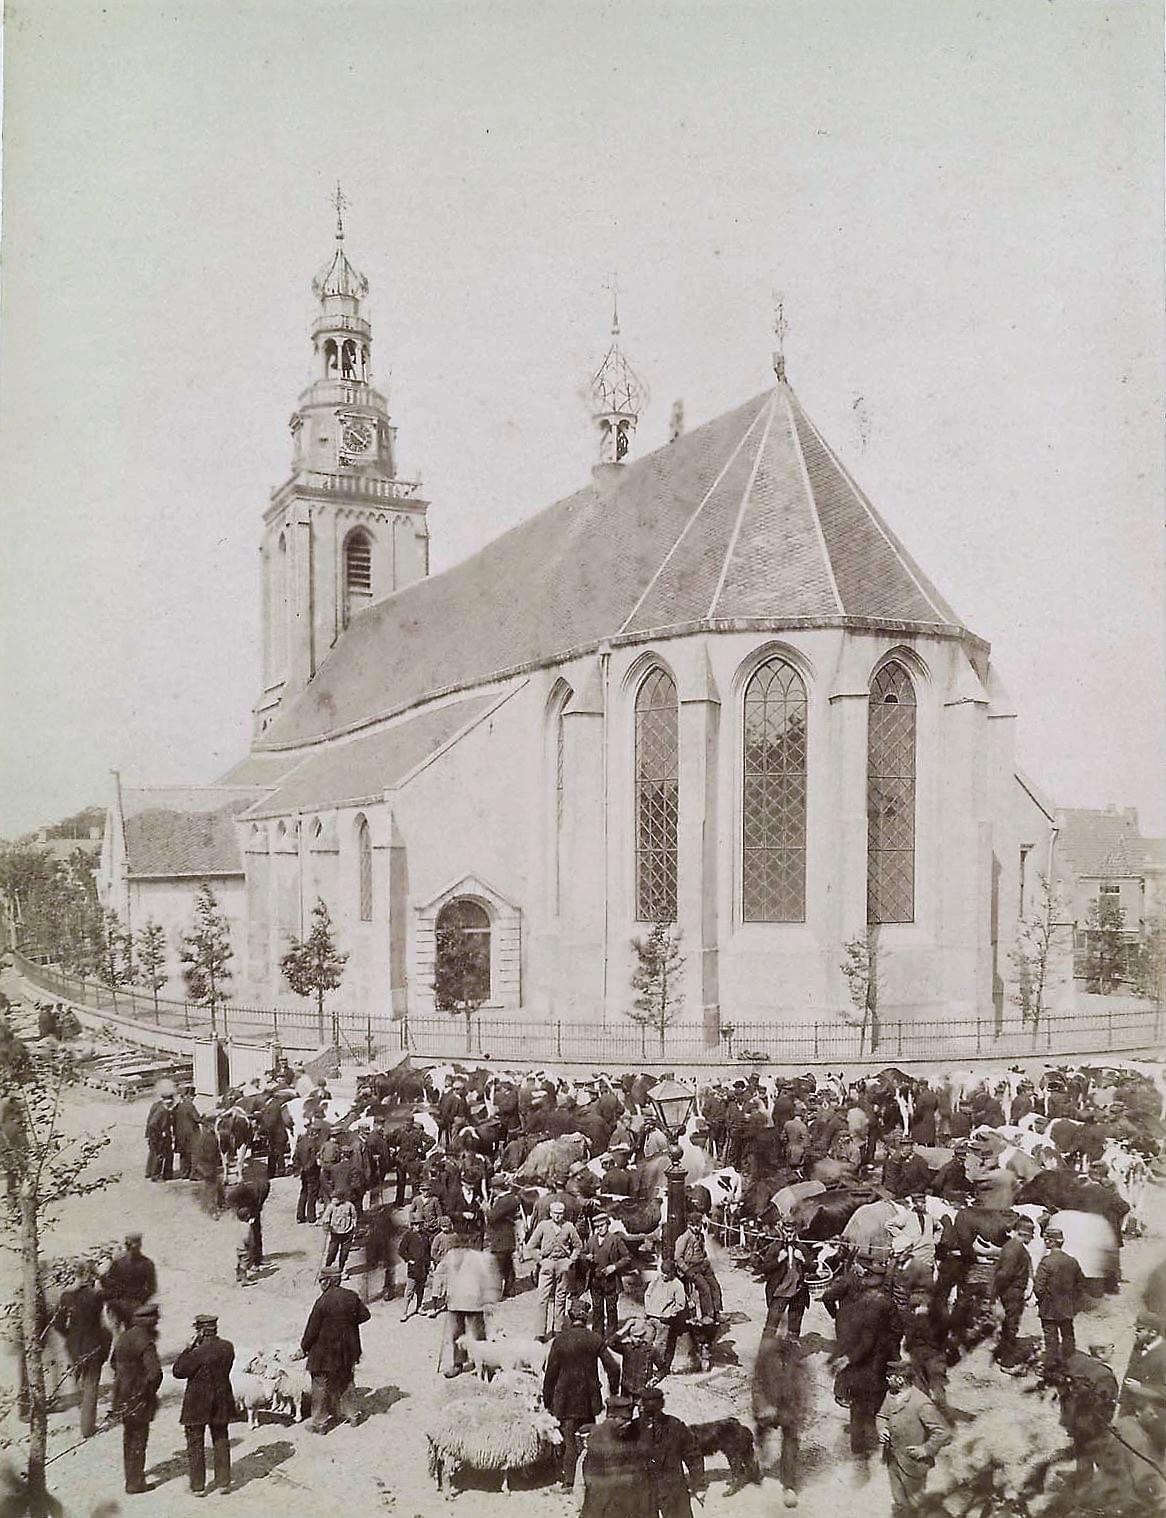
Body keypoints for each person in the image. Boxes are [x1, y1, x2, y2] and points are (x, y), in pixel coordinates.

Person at [543, 1300, 620, 1490]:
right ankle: (592, 1478)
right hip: (588, 1400)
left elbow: (550, 1374)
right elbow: (613, 1368)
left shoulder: (560, 1340)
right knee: (589, 1439)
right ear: (586, 1318)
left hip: (564, 1401)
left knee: (568, 1440)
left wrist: (547, 1400)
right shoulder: (595, 1339)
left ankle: (568, 1482)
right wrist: (613, 1390)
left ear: (570, 1317)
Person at [300, 1263, 371, 1431]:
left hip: (324, 1353)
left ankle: (319, 1423)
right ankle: (353, 1415)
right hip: (347, 1350)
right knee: (346, 1380)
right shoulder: (351, 1296)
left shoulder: (322, 1302)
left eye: (321, 1281)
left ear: (328, 1282)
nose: (320, 1285)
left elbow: (312, 1330)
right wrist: (348, 1324)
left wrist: (304, 1347)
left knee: (320, 1385)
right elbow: (365, 1315)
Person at [876, 1359, 952, 1517]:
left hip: (913, 1464)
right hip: (893, 1459)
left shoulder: (921, 1404)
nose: (887, 1379)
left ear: (900, 1379)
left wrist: (926, 1449)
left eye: (890, 1377)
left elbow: (943, 1431)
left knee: (917, 1504)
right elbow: (881, 1415)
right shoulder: (890, 1395)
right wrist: (882, 1428)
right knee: (899, 1501)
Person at [172, 1313, 236, 1497]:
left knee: (195, 1443)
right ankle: (224, 1482)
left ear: (200, 1331)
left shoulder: (197, 1353)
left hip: (197, 1403)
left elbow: (178, 1371)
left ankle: (198, 1486)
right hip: (221, 1400)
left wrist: (187, 1348)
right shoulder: (227, 1347)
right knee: (221, 1439)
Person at [753, 1331, 814, 1508]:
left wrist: (803, 1412)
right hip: (767, 1407)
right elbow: (757, 1384)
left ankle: (789, 1486)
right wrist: (762, 1406)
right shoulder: (764, 1357)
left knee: (790, 1444)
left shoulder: (797, 1361)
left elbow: (805, 1388)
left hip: (789, 1410)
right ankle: (758, 1460)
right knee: (761, 1435)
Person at [54, 1260, 112, 1438]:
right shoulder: (96, 1295)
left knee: (80, 1378)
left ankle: (81, 1413)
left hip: (74, 1346)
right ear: (91, 1276)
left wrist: (70, 1336)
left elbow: (58, 1324)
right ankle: (87, 1428)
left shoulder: (66, 1296)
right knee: (91, 1384)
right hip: (94, 1344)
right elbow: (116, 1291)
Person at [111, 1301, 162, 1495]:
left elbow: (113, 1363)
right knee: (139, 1439)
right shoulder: (146, 1342)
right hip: (139, 1397)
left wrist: (125, 1379)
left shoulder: (124, 1337)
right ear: (150, 1322)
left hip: (121, 1394)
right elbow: (155, 1373)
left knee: (128, 1437)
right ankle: (136, 1483)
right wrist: (147, 1391)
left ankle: (130, 1478)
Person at [432, 1241, 502, 1377]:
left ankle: (485, 1363)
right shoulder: (451, 1255)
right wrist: (440, 1290)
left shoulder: (480, 1257)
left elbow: (490, 1276)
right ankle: (458, 1363)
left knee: (478, 1335)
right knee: (457, 1335)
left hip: (474, 1301)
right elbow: (439, 1273)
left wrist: (490, 1299)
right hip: (455, 1300)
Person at [637, 1385, 705, 1518]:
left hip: (650, 1491)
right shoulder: (676, 1425)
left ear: (641, 1405)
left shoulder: (634, 1429)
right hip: (671, 1488)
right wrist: (697, 1483)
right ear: (662, 1404)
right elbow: (693, 1455)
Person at [579, 1394, 645, 1518]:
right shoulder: (601, 1438)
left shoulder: (622, 1434)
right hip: (604, 1506)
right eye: (624, 1419)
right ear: (612, 1417)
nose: (628, 1424)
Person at [526, 1199, 582, 1340]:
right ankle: (540, 1333)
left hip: (563, 1264)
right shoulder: (543, 1226)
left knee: (561, 1298)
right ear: (550, 1213)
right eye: (555, 1213)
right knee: (542, 1299)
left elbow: (578, 1245)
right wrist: (540, 1261)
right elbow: (531, 1246)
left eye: (560, 1213)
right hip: (547, 1264)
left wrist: (570, 1261)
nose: (558, 1216)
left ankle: (558, 1330)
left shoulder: (569, 1227)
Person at [1034, 1226, 1087, 1373]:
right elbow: (1081, 1284)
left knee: (1051, 1338)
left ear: (1050, 1242)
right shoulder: (1072, 1261)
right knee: (1068, 1335)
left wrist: (1043, 1300)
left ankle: (1051, 1368)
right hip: (1067, 1306)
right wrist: (1072, 1301)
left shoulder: (1046, 1262)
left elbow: (1038, 1287)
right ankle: (1070, 1365)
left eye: (1046, 1240)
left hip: (1049, 1308)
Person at [992, 1216, 1034, 1369]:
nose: (1032, 1238)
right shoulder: (1015, 1248)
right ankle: (1007, 1361)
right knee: (1011, 1324)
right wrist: (996, 1294)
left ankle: (1003, 1353)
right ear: (1024, 1234)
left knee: (1008, 1324)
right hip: (1012, 1291)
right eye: (1031, 1235)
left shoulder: (1012, 1246)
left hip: (1011, 1290)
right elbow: (1004, 1274)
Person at [673, 1213, 721, 1348]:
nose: (698, 1228)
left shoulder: (700, 1236)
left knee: (714, 1285)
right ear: (689, 1225)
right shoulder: (684, 1238)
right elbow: (678, 1258)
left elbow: (702, 1250)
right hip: (690, 1267)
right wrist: (687, 1271)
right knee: (704, 1287)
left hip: (701, 1264)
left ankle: (717, 1311)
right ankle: (707, 1314)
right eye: (695, 1225)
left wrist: (706, 1260)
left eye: (699, 1225)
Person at [760, 1217, 812, 1340]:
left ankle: (790, 1354)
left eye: (791, 1231)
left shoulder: (802, 1248)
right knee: (771, 1327)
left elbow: (812, 1266)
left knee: (794, 1329)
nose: (789, 1234)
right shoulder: (774, 1247)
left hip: (798, 1292)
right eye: (786, 1231)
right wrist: (778, 1260)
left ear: (796, 1231)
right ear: (782, 1230)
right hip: (780, 1292)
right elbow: (763, 1268)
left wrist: (803, 1260)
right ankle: (764, 1356)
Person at [587, 1213, 632, 1341]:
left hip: (610, 1281)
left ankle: (612, 1337)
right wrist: (586, 1257)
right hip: (595, 1281)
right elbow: (583, 1253)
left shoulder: (615, 1240)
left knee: (611, 1309)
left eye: (602, 1225)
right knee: (597, 1309)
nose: (599, 1229)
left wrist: (614, 1267)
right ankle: (597, 1337)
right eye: (597, 1227)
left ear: (607, 1224)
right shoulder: (591, 1240)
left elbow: (627, 1257)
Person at [101, 1233, 158, 1331]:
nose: (135, 1247)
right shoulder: (119, 1263)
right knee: (124, 1335)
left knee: (126, 1335)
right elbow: (152, 1288)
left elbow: (152, 1288)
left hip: (128, 1304)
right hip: (123, 1305)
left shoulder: (146, 1264)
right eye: (134, 1244)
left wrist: (139, 1300)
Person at [644, 1257, 689, 1377]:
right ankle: (646, 1368)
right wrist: (648, 1308)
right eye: (662, 1273)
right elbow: (647, 1293)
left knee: (659, 1346)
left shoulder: (677, 1285)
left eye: (667, 1273)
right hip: (650, 1317)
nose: (664, 1276)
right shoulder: (657, 1279)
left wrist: (669, 1314)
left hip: (663, 1321)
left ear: (672, 1272)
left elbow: (680, 1304)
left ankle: (660, 1369)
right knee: (646, 1343)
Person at [485, 1175, 522, 1298]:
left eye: (493, 1188)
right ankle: (509, 1289)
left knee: (498, 1266)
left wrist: (486, 1209)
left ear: (497, 1188)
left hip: (500, 1238)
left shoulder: (504, 1201)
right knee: (508, 1265)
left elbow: (492, 1218)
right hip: (508, 1237)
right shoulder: (511, 1198)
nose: (491, 1191)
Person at [321, 1188, 358, 1272]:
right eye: (332, 1198)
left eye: (335, 1198)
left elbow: (354, 1216)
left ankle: (341, 1268)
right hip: (335, 1233)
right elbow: (325, 1217)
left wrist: (353, 1226)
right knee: (332, 1251)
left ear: (341, 1199)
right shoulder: (331, 1207)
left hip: (347, 1232)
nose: (333, 1200)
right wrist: (327, 1225)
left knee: (344, 1252)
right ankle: (327, 1267)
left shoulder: (349, 1205)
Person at [294, 1118, 323, 1224]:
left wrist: (299, 1168)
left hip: (303, 1172)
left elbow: (295, 1156)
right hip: (312, 1172)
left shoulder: (301, 1142)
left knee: (303, 1193)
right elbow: (313, 1160)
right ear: (314, 1133)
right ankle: (311, 1216)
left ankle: (300, 1216)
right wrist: (307, 1168)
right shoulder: (314, 1144)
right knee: (312, 1194)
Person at [145, 1089, 176, 1182]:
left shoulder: (157, 1105)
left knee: (153, 1153)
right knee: (160, 1155)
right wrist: (160, 1133)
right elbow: (153, 1124)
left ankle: (149, 1172)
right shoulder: (163, 1111)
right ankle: (156, 1175)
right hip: (159, 1137)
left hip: (153, 1136)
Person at [172, 1087, 201, 1180]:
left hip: (180, 1134)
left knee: (183, 1154)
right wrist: (204, 1119)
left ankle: (184, 1173)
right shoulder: (190, 1105)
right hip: (191, 1134)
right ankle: (193, 1174)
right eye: (192, 1096)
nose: (193, 1098)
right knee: (195, 1153)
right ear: (187, 1096)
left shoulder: (177, 1106)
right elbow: (197, 1119)